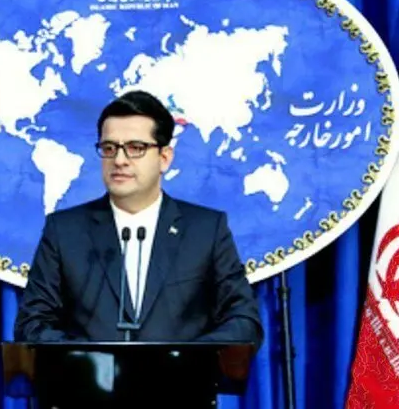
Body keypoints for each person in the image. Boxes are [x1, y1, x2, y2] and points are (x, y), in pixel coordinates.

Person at [14, 90, 263, 346]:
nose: (119, 160)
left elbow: (244, 321)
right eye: (109, 148)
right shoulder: (64, 231)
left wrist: (181, 360)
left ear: (164, 158)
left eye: (136, 148)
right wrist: (93, 359)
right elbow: (32, 324)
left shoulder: (206, 230)